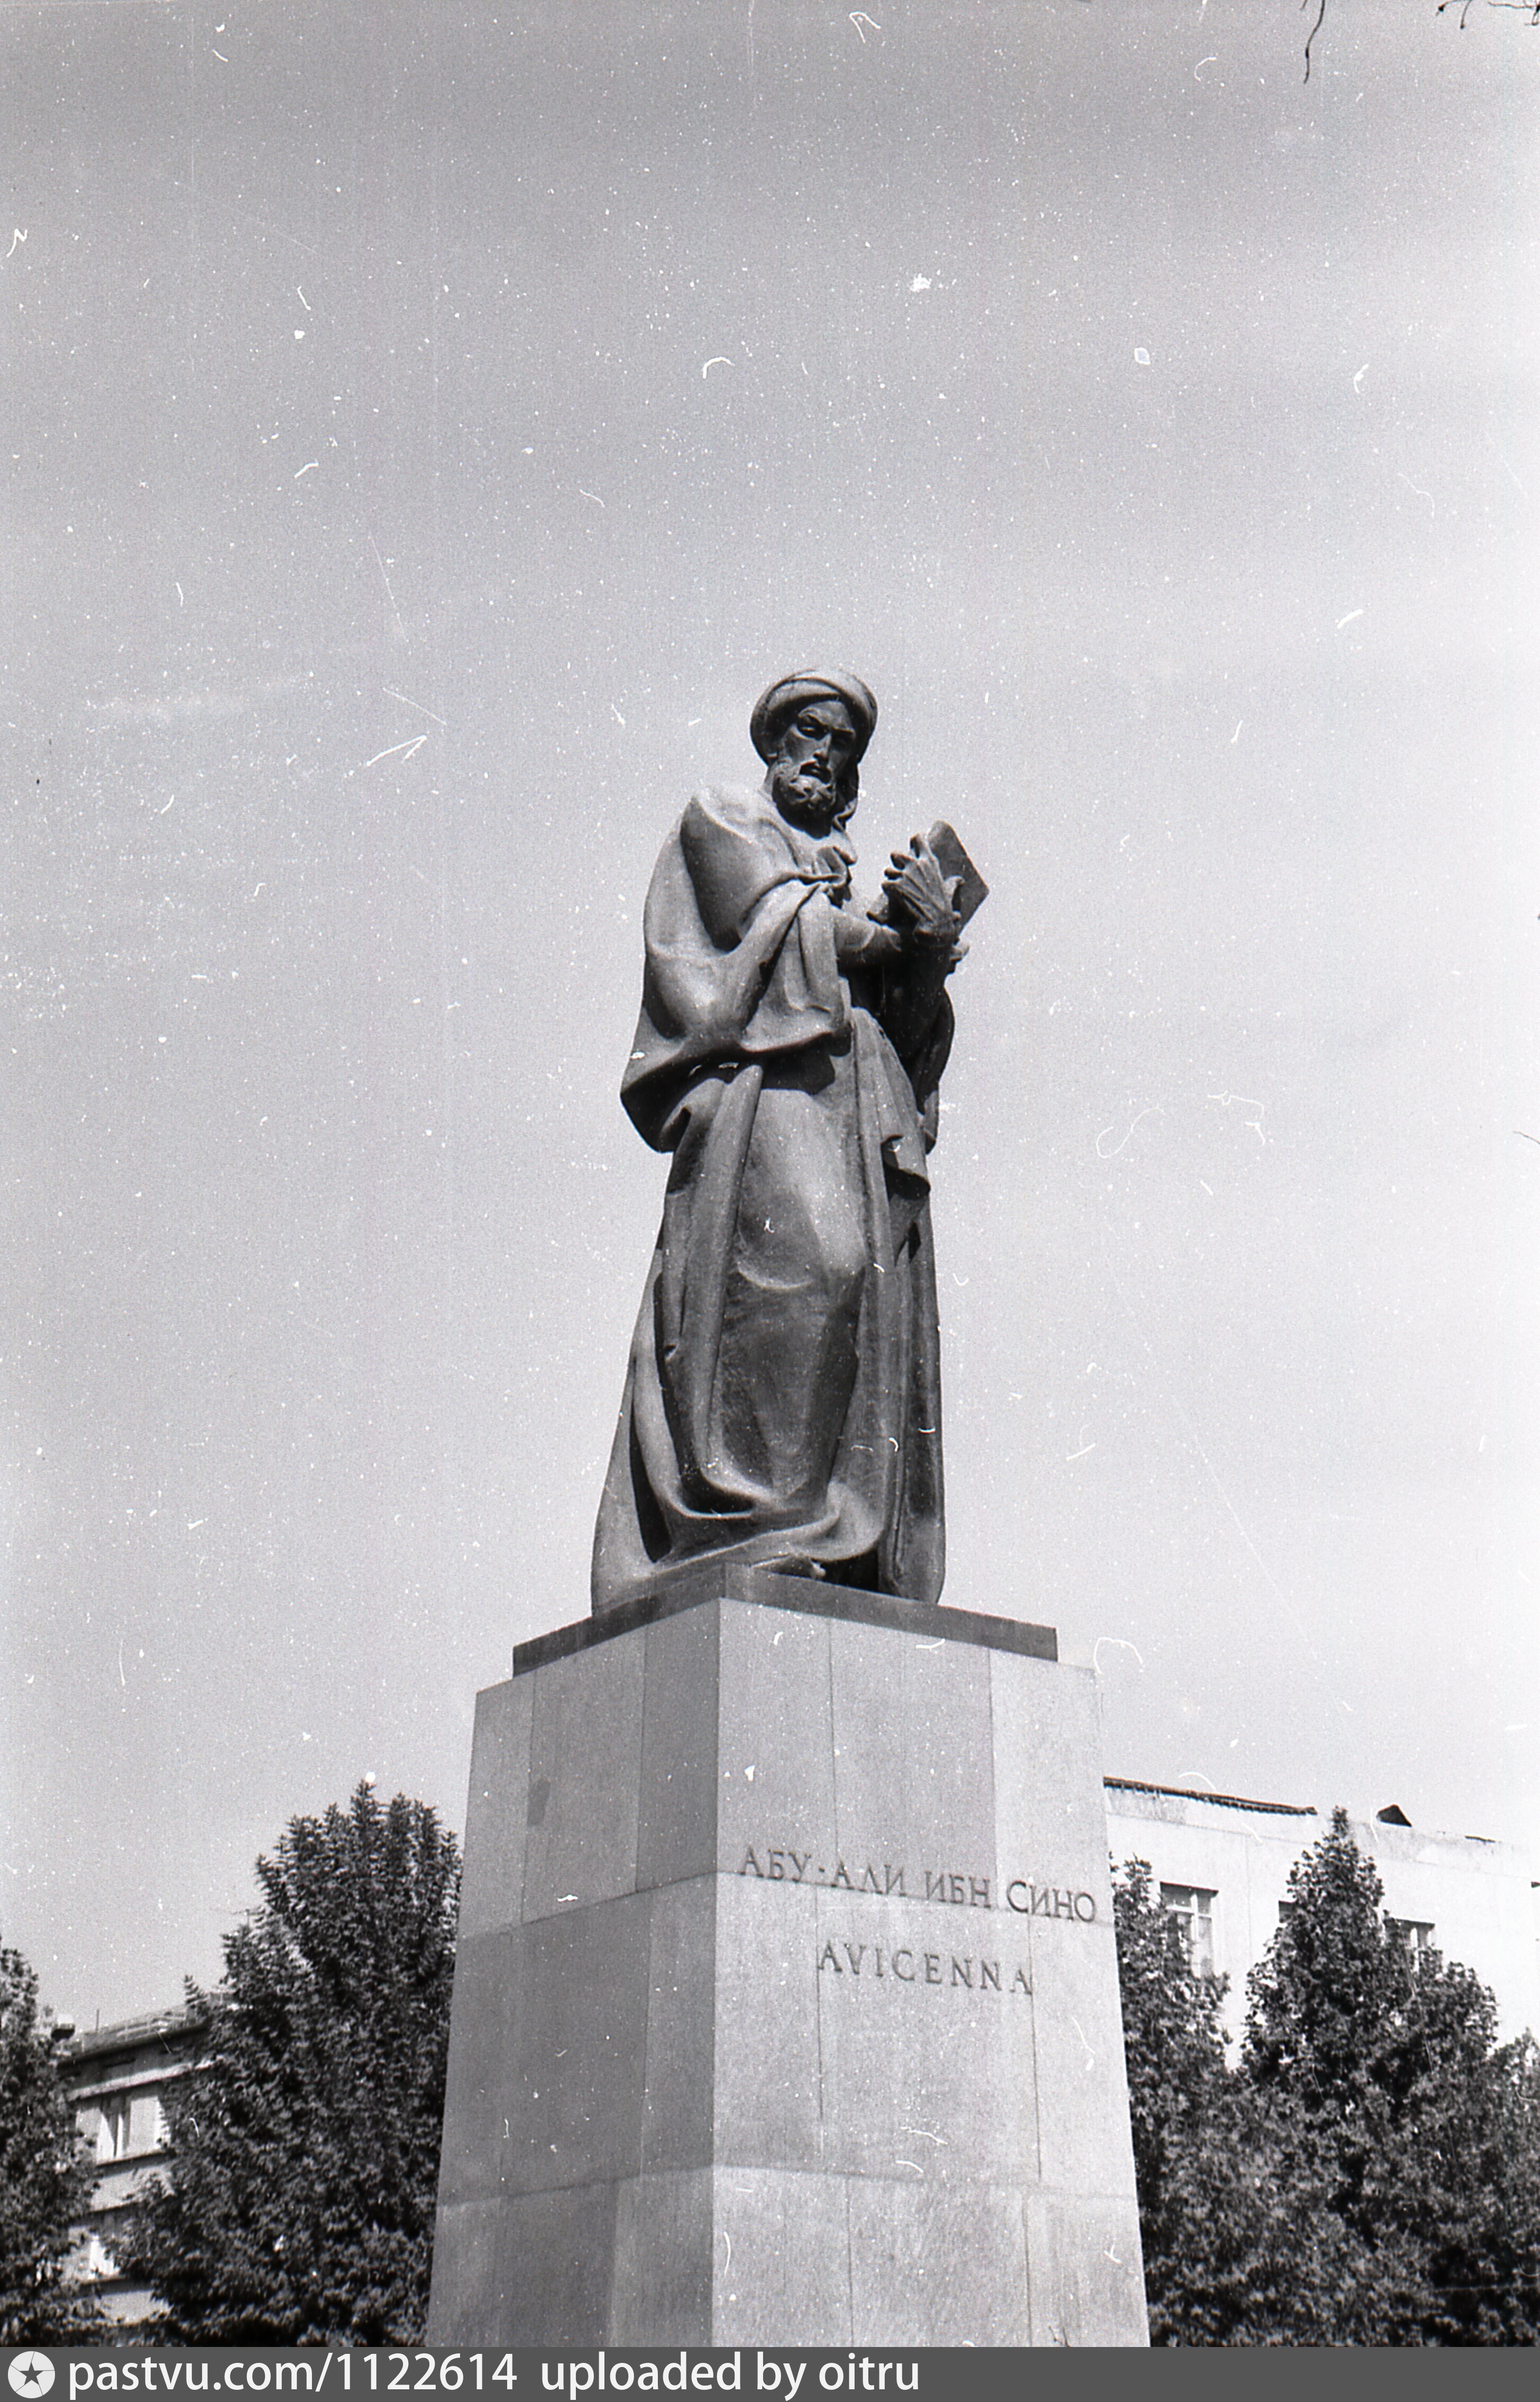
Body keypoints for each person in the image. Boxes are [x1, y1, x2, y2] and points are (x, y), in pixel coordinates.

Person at [591, 671, 967, 1612]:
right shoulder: (725, 818)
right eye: (811, 730)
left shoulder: (852, 871)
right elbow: (772, 928)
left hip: (854, 1103)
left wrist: (924, 952)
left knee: (864, 1298)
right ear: (772, 740)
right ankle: (756, 1519)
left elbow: (907, 1026)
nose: (826, 753)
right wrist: (895, 942)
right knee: (812, 1273)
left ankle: (829, 1535)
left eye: (845, 744)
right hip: (768, 1098)